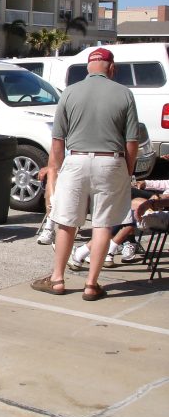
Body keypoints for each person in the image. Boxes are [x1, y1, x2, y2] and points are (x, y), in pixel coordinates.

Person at [31, 48, 139, 301]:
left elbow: (58, 139)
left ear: (89, 67)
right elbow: (132, 141)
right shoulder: (124, 93)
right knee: (103, 223)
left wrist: (57, 169)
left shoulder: (69, 92)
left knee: (67, 221)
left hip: (76, 159)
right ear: (111, 67)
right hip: (111, 161)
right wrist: (127, 170)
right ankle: (91, 285)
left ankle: (57, 279)